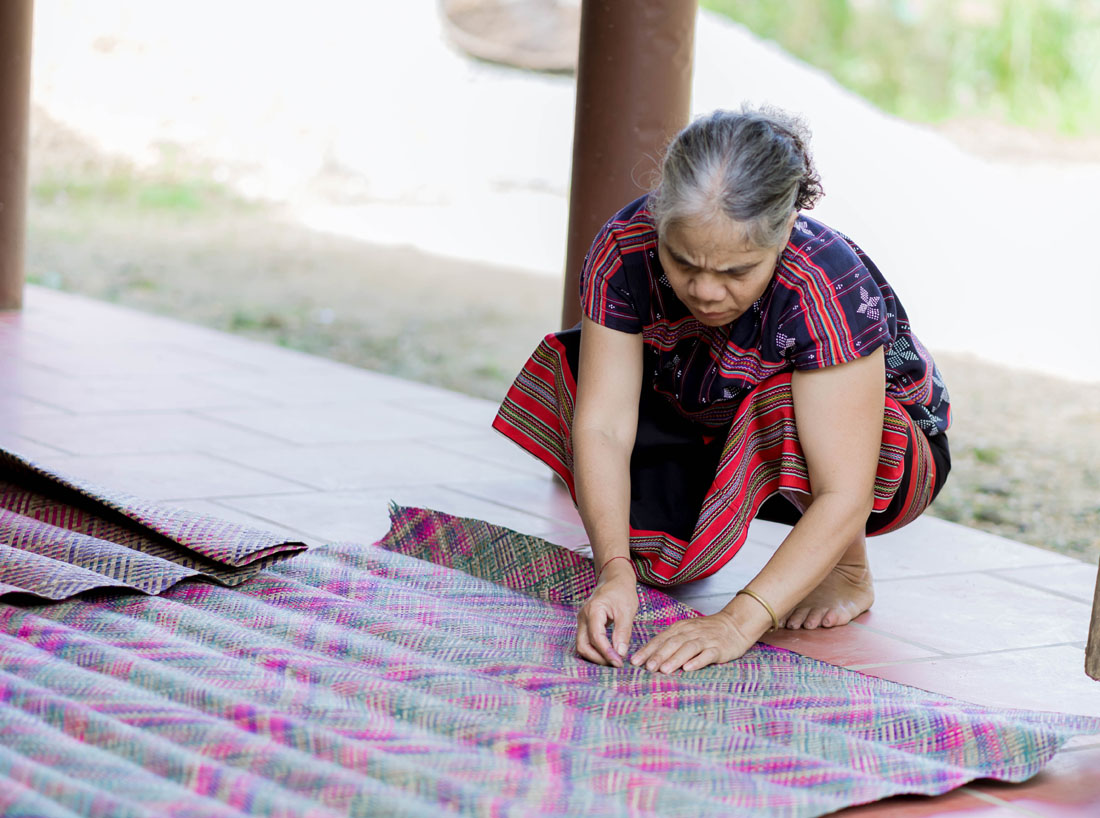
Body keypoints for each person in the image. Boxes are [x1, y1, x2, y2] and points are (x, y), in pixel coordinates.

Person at [492, 106, 951, 675]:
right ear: (659, 220)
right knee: (583, 370)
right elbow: (606, 424)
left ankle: (847, 565)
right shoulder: (623, 246)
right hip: (712, 413)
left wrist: (738, 622)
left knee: (780, 404)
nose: (705, 291)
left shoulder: (822, 279)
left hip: (878, 456)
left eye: (736, 272)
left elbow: (844, 491)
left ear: (782, 232)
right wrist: (614, 570)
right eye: (682, 263)